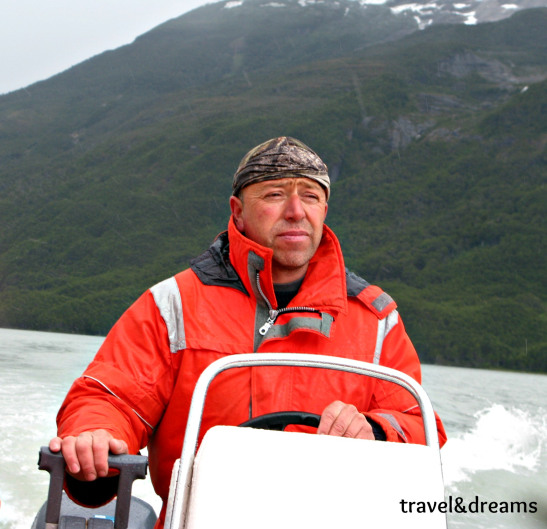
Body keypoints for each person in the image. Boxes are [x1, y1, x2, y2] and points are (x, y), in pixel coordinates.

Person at [50, 136, 447, 525]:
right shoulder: (173, 304)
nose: (295, 211)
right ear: (237, 211)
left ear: (325, 208)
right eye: (275, 195)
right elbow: (111, 397)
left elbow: (419, 426)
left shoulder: (377, 319)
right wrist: (95, 435)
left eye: (310, 196)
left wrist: (375, 431)